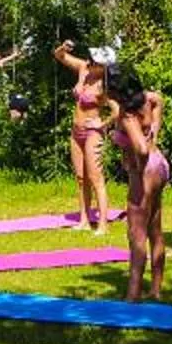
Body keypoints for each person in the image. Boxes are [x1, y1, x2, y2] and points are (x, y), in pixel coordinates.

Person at [105, 66, 171, 302]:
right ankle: (156, 289)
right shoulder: (149, 99)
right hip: (161, 164)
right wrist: (153, 132)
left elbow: (141, 148)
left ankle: (133, 295)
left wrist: (138, 168)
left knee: (136, 234)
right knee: (155, 229)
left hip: (145, 171)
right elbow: (159, 104)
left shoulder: (128, 115)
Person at [51, 40, 114, 232]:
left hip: (92, 132)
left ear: (104, 66)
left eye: (95, 61)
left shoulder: (105, 84)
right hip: (76, 130)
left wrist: (102, 123)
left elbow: (117, 109)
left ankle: (102, 224)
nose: (90, 62)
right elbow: (60, 56)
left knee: (96, 178)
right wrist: (63, 48)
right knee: (80, 178)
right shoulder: (83, 69)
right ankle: (84, 220)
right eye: (91, 59)